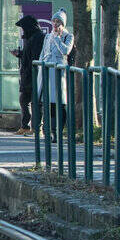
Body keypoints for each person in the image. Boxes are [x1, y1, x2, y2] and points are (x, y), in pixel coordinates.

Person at [38, 10, 73, 142]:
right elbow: (43, 53)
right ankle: (49, 131)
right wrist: (40, 66)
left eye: (58, 22)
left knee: (59, 103)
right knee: (47, 103)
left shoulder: (67, 36)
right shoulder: (47, 36)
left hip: (59, 73)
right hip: (47, 72)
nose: (55, 24)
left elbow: (65, 51)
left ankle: (58, 131)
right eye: (54, 21)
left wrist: (58, 38)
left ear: (63, 24)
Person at [12, 15, 45, 135]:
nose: (22, 31)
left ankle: (35, 128)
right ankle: (27, 126)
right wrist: (20, 54)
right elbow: (29, 55)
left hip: (34, 76)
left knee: (34, 102)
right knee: (25, 100)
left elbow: (35, 57)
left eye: (23, 28)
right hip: (28, 75)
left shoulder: (38, 37)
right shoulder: (31, 37)